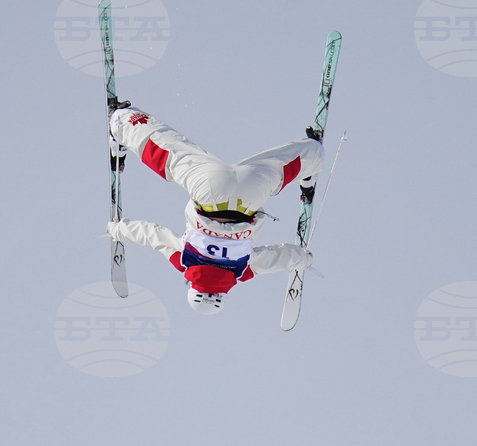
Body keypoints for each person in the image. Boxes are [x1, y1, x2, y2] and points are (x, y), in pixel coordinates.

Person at [106, 103, 324, 315]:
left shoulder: (241, 271)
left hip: (250, 194)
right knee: (170, 157)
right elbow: (153, 236)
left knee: (285, 167)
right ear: (192, 287)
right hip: (209, 189)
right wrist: (117, 230)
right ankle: (123, 122)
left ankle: (312, 159)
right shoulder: (185, 261)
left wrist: (304, 260)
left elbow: (279, 257)